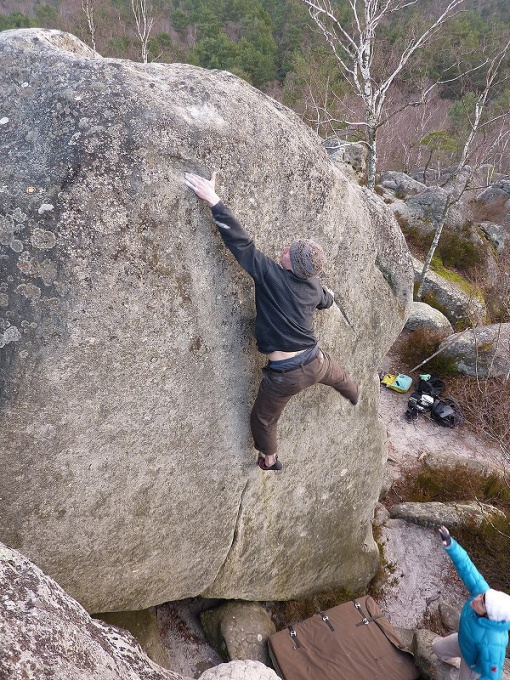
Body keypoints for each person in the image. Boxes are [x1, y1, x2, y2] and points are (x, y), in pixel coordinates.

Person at [184, 171, 359, 471]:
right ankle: (355, 396)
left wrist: (214, 200)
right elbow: (326, 301)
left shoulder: (270, 275)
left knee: (263, 419)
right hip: (316, 362)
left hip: (285, 375)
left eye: (290, 252)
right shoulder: (314, 286)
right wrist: (328, 295)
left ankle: (270, 461)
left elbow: (242, 245)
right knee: (340, 377)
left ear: (295, 266)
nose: (284, 250)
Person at [433, 525, 510, 680]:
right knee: (437, 648)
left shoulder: (494, 642)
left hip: (474, 664)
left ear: (489, 616)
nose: (476, 599)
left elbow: (491, 676)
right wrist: (451, 544)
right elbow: (467, 568)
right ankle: (456, 659)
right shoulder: (482, 592)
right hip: (463, 641)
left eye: (482, 603)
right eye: (481, 597)